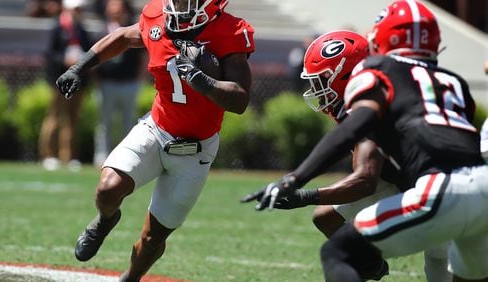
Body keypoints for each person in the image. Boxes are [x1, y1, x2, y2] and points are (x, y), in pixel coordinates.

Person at [245, 1, 487, 281]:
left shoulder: (379, 74)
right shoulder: (450, 80)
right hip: (479, 182)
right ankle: (373, 263)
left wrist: (297, 182)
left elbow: (362, 168)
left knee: (339, 253)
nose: (316, 91)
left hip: (438, 188)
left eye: (321, 81)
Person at [55, 0, 255, 280]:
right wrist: (80, 67)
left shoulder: (229, 31)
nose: (181, 4)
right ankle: (106, 219)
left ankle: (131, 277)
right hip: (156, 128)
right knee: (107, 190)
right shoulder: (157, 17)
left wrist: (205, 83)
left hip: (195, 151)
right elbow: (123, 37)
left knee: (152, 238)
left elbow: (240, 99)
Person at [39, 0, 92, 171]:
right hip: (59, 80)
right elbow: (49, 54)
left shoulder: (81, 30)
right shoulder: (58, 28)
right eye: (76, 9)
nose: (78, 12)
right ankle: (48, 154)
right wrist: (64, 58)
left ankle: (67, 156)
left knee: (72, 118)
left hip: (77, 82)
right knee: (55, 116)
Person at [92, 0, 145, 167]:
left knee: (128, 122)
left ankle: (127, 156)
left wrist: (139, 78)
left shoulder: (132, 31)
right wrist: (97, 80)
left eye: (119, 7)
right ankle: (102, 156)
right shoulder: (102, 31)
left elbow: (143, 57)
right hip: (107, 83)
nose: (116, 10)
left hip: (129, 83)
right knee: (104, 122)